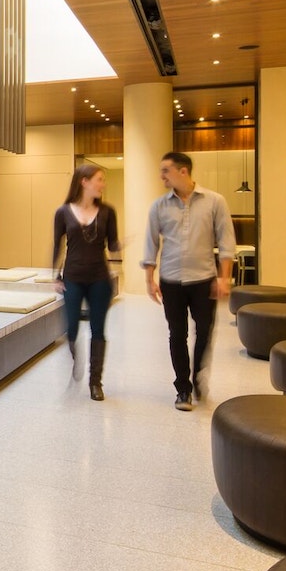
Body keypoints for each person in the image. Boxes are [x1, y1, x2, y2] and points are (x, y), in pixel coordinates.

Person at [142, 151, 236, 411]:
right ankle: (183, 388)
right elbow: (150, 244)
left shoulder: (214, 201)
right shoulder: (159, 206)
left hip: (204, 280)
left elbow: (226, 241)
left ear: (183, 171)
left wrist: (224, 277)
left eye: (166, 170)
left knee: (204, 331)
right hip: (171, 280)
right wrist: (149, 279)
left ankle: (198, 376)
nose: (161, 176)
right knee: (177, 334)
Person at [52, 163, 121, 401]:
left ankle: (95, 382)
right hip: (72, 277)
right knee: (71, 328)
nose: (103, 184)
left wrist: (122, 245)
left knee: (98, 329)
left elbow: (113, 245)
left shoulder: (108, 211)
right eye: (99, 179)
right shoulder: (63, 212)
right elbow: (57, 245)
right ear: (84, 182)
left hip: (100, 278)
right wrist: (55, 276)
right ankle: (75, 356)